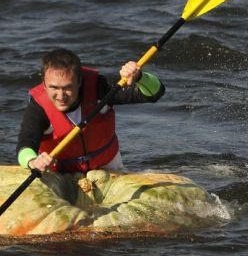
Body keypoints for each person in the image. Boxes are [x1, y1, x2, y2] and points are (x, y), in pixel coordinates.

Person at [16, 48, 165, 173]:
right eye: (54, 88)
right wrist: (33, 161)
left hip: (107, 167)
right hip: (62, 173)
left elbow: (155, 93)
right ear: (44, 83)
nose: (61, 96)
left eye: (67, 87)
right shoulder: (38, 108)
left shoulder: (100, 88)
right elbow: (24, 146)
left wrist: (140, 77)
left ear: (80, 81)